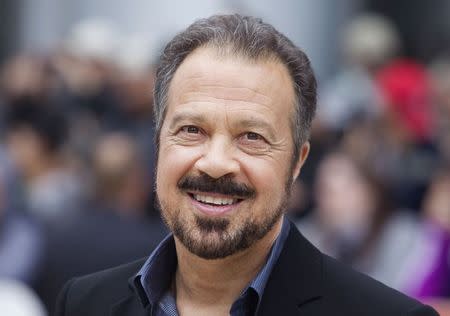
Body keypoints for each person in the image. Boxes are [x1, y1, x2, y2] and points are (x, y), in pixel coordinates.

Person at [55, 14, 438, 316]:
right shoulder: (83, 303)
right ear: (158, 143)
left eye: (251, 137)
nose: (216, 163)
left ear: (297, 161)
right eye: (191, 130)